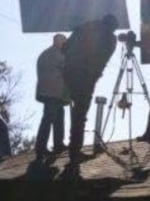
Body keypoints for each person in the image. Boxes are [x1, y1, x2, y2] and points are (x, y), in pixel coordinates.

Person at [61, 14, 118, 167]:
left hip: (70, 72)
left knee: (77, 113)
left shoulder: (85, 26)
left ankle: (74, 150)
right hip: (85, 77)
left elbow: (64, 48)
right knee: (80, 114)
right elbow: (102, 60)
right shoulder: (111, 39)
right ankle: (75, 152)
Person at [34, 33, 70, 160]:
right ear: (57, 41)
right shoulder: (51, 54)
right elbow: (59, 71)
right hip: (51, 92)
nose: (65, 43)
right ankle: (40, 147)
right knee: (49, 118)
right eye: (63, 41)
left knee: (59, 117)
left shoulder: (55, 54)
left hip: (56, 93)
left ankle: (58, 144)